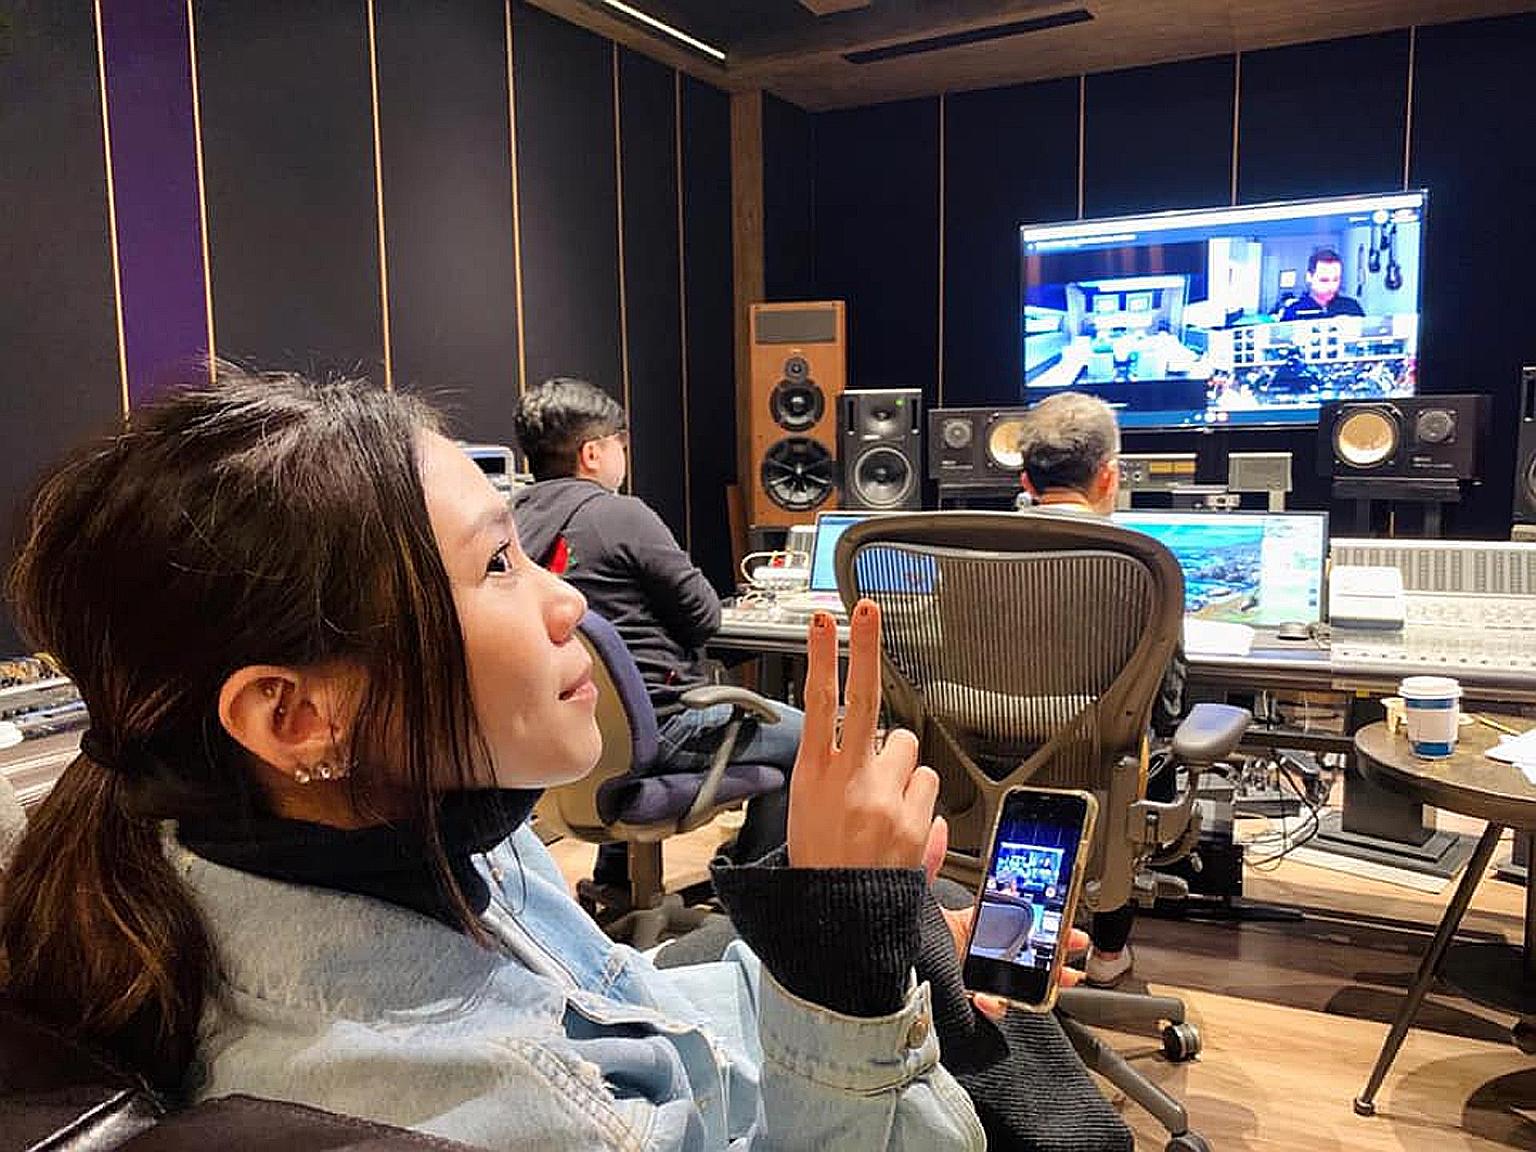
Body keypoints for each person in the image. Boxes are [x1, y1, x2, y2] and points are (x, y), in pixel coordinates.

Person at [0, 367, 985, 1149]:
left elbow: (614, 1008)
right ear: (294, 718)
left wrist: (878, 947)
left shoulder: (413, 824)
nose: (571, 609)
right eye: (499, 565)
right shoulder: (519, 1114)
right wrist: (845, 972)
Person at [512, 378, 801, 883]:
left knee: (623, 701)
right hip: (666, 730)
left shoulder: (510, 525)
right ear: (594, 453)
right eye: (620, 443)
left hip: (571, 738)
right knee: (811, 739)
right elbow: (705, 617)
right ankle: (757, 889)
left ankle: (616, 880)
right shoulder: (620, 515)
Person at [1015, 391, 1186, 987]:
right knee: (1150, 749)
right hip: (1096, 788)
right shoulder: (1140, 568)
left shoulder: (964, 550)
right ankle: (1108, 955)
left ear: (1024, 479)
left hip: (984, 776)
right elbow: (1167, 703)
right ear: (1109, 476)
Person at [1280, 248, 1365, 320]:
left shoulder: (1352, 307)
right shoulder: (1293, 311)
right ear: (1309, 277)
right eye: (1324, 280)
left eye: (1336, 279)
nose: (1331, 286)